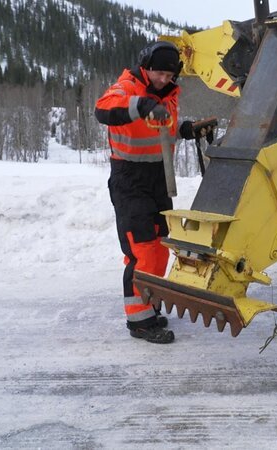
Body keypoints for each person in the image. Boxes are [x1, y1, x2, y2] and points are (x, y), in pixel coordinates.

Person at [94, 41, 215, 344]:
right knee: (143, 250)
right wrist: (141, 105)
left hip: (159, 179)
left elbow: (162, 128)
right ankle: (140, 322)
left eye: (169, 75)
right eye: (159, 73)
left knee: (160, 247)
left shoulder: (169, 94)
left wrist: (185, 129)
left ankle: (149, 304)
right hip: (130, 180)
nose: (163, 79)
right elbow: (103, 109)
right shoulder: (126, 87)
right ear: (146, 67)